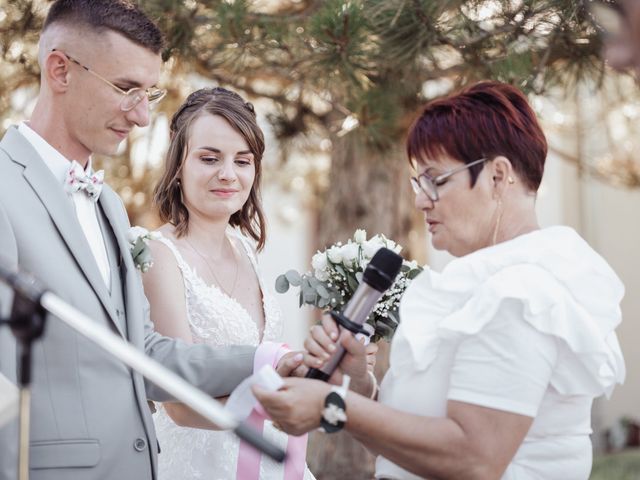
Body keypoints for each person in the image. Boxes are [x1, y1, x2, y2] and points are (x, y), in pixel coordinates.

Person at [253, 81, 626, 480]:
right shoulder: (484, 282)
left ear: (498, 177)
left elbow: (475, 459)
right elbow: (413, 442)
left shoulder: (522, 295)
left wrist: (333, 404)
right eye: (418, 182)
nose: (420, 200)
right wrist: (357, 385)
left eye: (436, 180)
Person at [0, 2, 300, 479]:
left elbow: (146, 352)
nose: (142, 116)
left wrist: (268, 360)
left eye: (149, 93)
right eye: (126, 89)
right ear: (60, 69)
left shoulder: (109, 207)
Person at [141, 87, 314, 479]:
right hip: (199, 466)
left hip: (269, 456)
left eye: (242, 160)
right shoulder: (159, 257)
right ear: (178, 164)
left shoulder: (243, 248)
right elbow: (180, 404)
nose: (228, 174)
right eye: (209, 158)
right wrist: (281, 405)